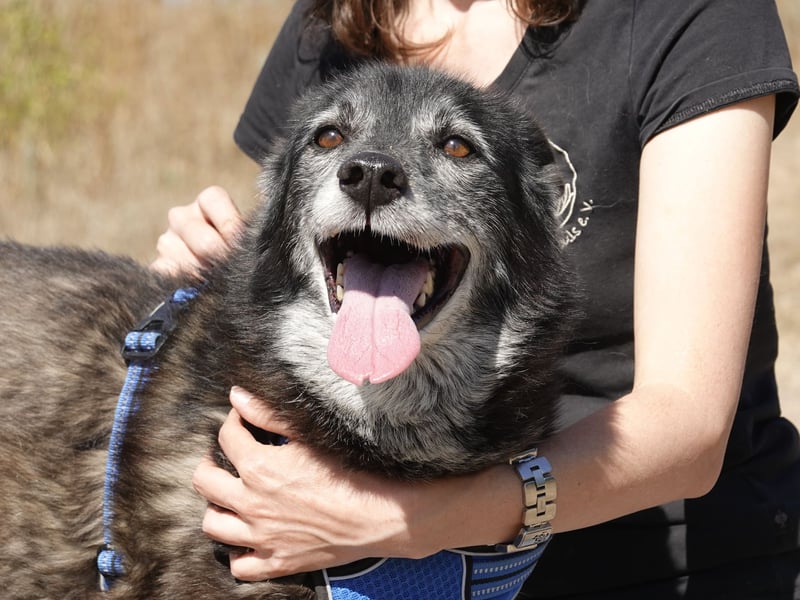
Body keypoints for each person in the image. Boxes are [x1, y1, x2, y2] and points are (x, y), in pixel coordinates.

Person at [153, 0, 800, 597]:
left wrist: (411, 521)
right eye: (333, 141)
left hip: (650, 560)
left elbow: (689, 423)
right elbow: (285, 260)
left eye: (456, 146)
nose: (370, 170)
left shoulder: (688, 13)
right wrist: (217, 248)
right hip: (339, 551)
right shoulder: (338, 12)